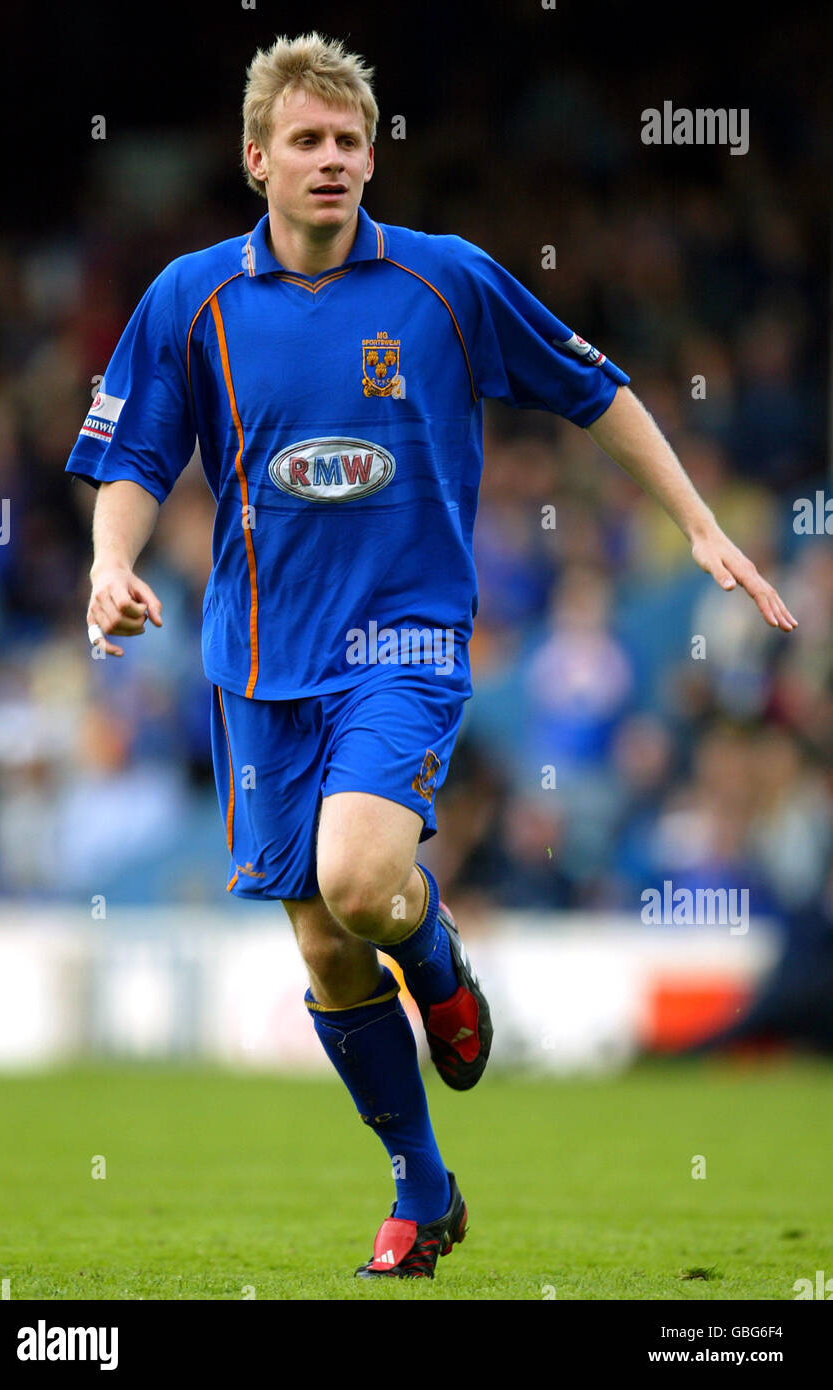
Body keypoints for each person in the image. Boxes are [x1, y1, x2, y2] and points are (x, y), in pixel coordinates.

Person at [65, 31, 797, 1280]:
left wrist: (696, 520)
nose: (334, 161)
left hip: (402, 639)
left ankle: (438, 957)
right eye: (307, 141)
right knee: (322, 944)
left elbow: (593, 387)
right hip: (255, 665)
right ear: (257, 160)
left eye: (351, 142)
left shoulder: (446, 281)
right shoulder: (190, 299)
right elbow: (132, 455)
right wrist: (108, 563)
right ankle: (422, 1187)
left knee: (359, 878)